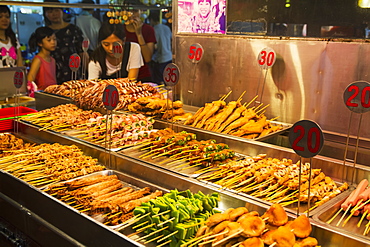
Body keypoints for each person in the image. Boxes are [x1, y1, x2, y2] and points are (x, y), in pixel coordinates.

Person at [43, 0, 84, 84]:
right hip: (53, 71)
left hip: (73, 69)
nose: (54, 14)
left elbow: (81, 51)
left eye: (57, 10)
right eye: (50, 11)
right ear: (45, 14)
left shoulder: (73, 29)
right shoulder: (45, 32)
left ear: (62, 11)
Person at [124, 9, 156, 82]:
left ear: (140, 12)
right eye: (129, 11)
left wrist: (139, 34)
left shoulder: (148, 29)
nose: (132, 14)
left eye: (135, 11)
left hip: (143, 75)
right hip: (125, 75)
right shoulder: (121, 30)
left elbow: (147, 58)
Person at [27, 27, 57, 93]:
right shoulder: (38, 59)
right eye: (49, 40)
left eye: (54, 39)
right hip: (42, 94)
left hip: (52, 93)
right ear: (40, 43)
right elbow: (30, 80)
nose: (53, 42)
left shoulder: (52, 60)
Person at [148, 11, 172, 84]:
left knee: (159, 83)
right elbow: (171, 40)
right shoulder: (166, 27)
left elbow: (155, 46)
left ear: (151, 20)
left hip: (160, 59)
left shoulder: (154, 30)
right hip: (169, 57)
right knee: (167, 80)